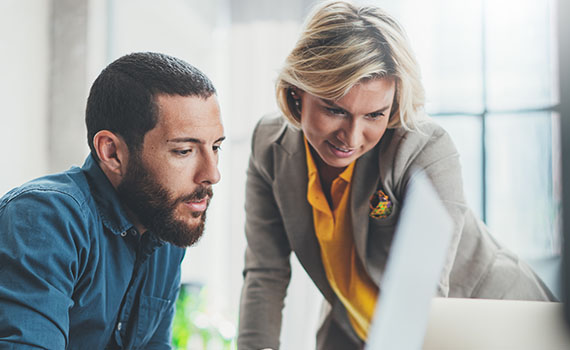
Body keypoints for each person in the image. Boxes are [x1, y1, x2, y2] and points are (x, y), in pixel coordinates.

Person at [237, 1, 555, 349]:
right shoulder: (269, 146)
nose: (352, 137)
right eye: (334, 109)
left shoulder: (424, 149)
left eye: (374, 114)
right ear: (297, 93)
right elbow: (265, 274)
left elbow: (422, 295)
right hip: (360, 329)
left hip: (497, 322)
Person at [0, 52, 225, 349]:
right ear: (112, 153)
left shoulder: (164, 226)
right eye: (184, 151)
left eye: (216, 147)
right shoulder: (43, 218)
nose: (212, 174)